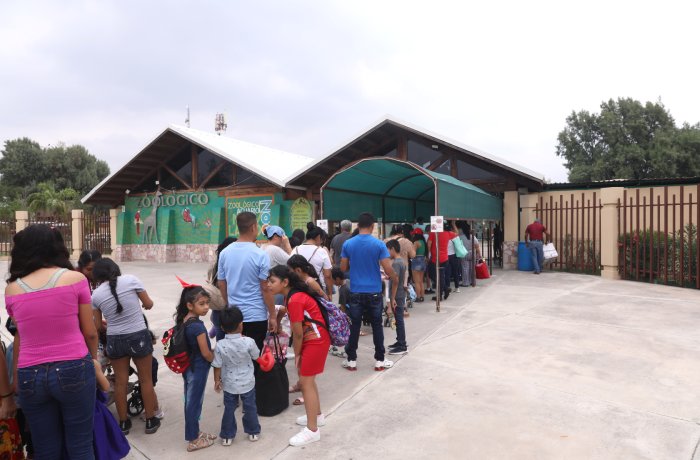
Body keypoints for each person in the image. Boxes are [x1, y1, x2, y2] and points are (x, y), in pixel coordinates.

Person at [4, 224, 98, 459]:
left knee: (45, 449)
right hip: (74, 367)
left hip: (29, 375)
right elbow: (90, 332)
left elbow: (21, 337)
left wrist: (16, 377)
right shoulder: (75, 279)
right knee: (81, 446)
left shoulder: (12, 290)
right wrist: (93, 361)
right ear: (57, 247)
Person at [91, 258, 160, 435]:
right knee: (146, 379)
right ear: (115, 269)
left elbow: (98, 327)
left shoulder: (96, 295)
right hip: (139, 336)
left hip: (115, 340)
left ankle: (123, 423)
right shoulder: (131, 280)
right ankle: (151, 420)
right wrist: (142, 304)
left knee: (121, 383)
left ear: (97, 276)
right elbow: (149, 304)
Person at [267, 265, 331, 447]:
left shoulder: (295, 299)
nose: (269, 285)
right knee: (308, 380)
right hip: (318, 338)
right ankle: (318, 417)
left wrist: (298, 354)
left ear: (285, 282)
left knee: (305, 383)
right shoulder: (293, 295)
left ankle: (312, 431)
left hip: (315, 341)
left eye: (273, 281)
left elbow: (298, 333)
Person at [340, 212, 398, 371]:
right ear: (372, 227)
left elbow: (343, 268)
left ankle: (351, 360)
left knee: (355, 326)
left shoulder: (348, 244)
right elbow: (387, 268)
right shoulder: (379, 244)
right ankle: (380, 360)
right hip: (374, 291)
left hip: (356, 291)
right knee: (377, 325)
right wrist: (395, 278)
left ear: (357, 226)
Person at [217, 212, 277, 351]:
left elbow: (221, 283)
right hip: (256, 316)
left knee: (235, 356)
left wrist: (229, 305)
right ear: (253, 227)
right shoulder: (260, 254)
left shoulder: (225, 253)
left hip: (235, 318)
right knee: (255, 358)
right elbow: (265, 288)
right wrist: (273, 316)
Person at [175, 281, 216, 452]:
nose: (206, 307)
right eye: (202, 304)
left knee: (191, 400)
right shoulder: (198, 327)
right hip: (198, 369)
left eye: (207, 303)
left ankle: (196, 432)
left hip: (188, 368)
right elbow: (206, 353)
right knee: (193, 403)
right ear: (190, 305)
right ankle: (192, 439)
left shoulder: (185, 320)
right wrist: (216, 359)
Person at [212, 307, 261, 446]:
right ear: (241, 324)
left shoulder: (220, 345)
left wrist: (217, 380)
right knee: (250, 407)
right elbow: (257, 357)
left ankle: (227, 435)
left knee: (229, 409)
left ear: (221, 327)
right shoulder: (249, 342)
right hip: (248, 383)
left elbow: (217, 365)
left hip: (229, 384)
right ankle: (253, 432)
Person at [93, 359, 131, 459]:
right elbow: (105, 387)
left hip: (67, 413)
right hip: (93, 410)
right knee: (100, 440)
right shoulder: (91, 363)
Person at [293, 223, 333, 298]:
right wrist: (330, 293)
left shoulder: (295, 249)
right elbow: (327, 275)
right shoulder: (321, 251)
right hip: (317, 290)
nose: (321, 242)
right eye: (321, 239)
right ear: (318, 237)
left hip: (298, 289)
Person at [209, 237, 237, 340]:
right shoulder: (230, 264)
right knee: (229, 334)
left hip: (217, 306)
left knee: (220, 332)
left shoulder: (215, 264)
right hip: (227, 304)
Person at [385, 240, 408, 355]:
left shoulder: (396, 263)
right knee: (398, 319)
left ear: (393, 249)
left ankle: (402, 345)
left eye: (388, 250)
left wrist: (392, 298)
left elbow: (396, 281)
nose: (387, 252)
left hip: (397, 295)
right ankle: (399, 341)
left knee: (399, 319)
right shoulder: (400, 261)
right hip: (399, 294)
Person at [427, 223, 457, 301]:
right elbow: (456, 233)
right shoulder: (448, 233)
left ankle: (442, 292)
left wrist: (428, 254)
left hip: (435, 259)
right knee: (440, 276)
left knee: (432, 275)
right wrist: (453, 225)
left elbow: (429, 244)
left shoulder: (433, 233)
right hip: (444, 259)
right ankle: (444, 290)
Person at [458, 222, 481, 287]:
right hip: (472, 253)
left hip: (464, 253)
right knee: (472, 268)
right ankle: (472, 281)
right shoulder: (472, 236)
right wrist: (479, 254)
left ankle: (465, 283)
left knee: (465, 268)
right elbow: (477, 246)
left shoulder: (460, 237)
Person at [444, 222, 462, 292]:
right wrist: (454, 224)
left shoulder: (444, 236)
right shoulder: (453, 236)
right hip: (454, 256)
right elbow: (457, 233)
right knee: (455, 272)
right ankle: (457, 288)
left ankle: (448, 287)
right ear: (450, 229)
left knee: (447, 273)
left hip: (447, 256)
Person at [410, 229, 426, 302]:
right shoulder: (423, 242)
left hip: (416, 260)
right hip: (423, 260)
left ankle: (418, 297)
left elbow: (412, 254)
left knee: (416, 281)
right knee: (421, 281)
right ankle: (422, 296)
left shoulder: (416, 243)